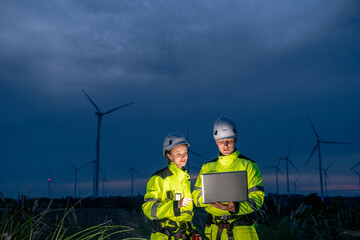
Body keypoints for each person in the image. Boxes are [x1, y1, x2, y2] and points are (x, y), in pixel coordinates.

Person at [192, 116, 265, 240]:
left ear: (235, 139)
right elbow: (196, 195)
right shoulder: (207, 167)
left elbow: (257, 199)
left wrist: (236, 208)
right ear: (216, 141)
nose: (225, 145)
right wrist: (208, 200)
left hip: (243, 231)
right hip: (214, 230)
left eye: (229, 141)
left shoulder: (249, 166)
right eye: (221, 141)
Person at [142, 132, 202, 240]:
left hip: (185, 235)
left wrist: (194, 232)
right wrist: (175, 205)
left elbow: (185, 215)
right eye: (178, 154)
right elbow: (148, 209)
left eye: (185, 153)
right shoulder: (159, 178)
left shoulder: (185, 179)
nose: (183, 157)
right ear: (169, 155)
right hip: (164, 236)